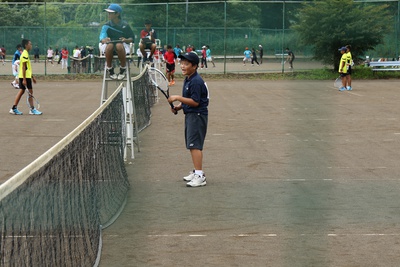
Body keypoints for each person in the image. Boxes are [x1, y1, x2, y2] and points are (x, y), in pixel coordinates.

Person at [168, 52, 209, 188]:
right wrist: (179, 107)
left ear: (195, 66)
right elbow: (189, 100)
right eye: (182, 63)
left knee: (195, 145)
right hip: (191, 115)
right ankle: (196, 171)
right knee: (192, 144)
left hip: (197, 116)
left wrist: (178, 98)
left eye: (186, 64)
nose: (182, 66)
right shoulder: (189, 79)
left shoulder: (196, 81)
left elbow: (195, 102)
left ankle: (199, 175)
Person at [99, 3, 134, 80]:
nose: (108, 14)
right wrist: (104, 40)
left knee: (119, 45)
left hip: (122, 47)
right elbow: (101, 37)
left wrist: (126, 40)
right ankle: (110, 69)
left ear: (117, 14)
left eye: (110, 13)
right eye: (108, 12)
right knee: (110, 45)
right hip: (109, 47)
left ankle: (122, 68)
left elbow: (132, 38)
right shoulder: (106, 25)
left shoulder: (125, 25)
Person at [9, 39, 42, 115]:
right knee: (29, 92)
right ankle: (32, 109)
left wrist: (32, 77)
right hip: (24, 77)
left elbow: (27, 68)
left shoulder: (25, 53)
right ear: (26, 45)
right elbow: (24, 67)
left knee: (23, 91)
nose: (31, 45)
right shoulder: (24, 54)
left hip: (26, 76)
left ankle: (14, 108)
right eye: (30, 44)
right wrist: (24, 79)